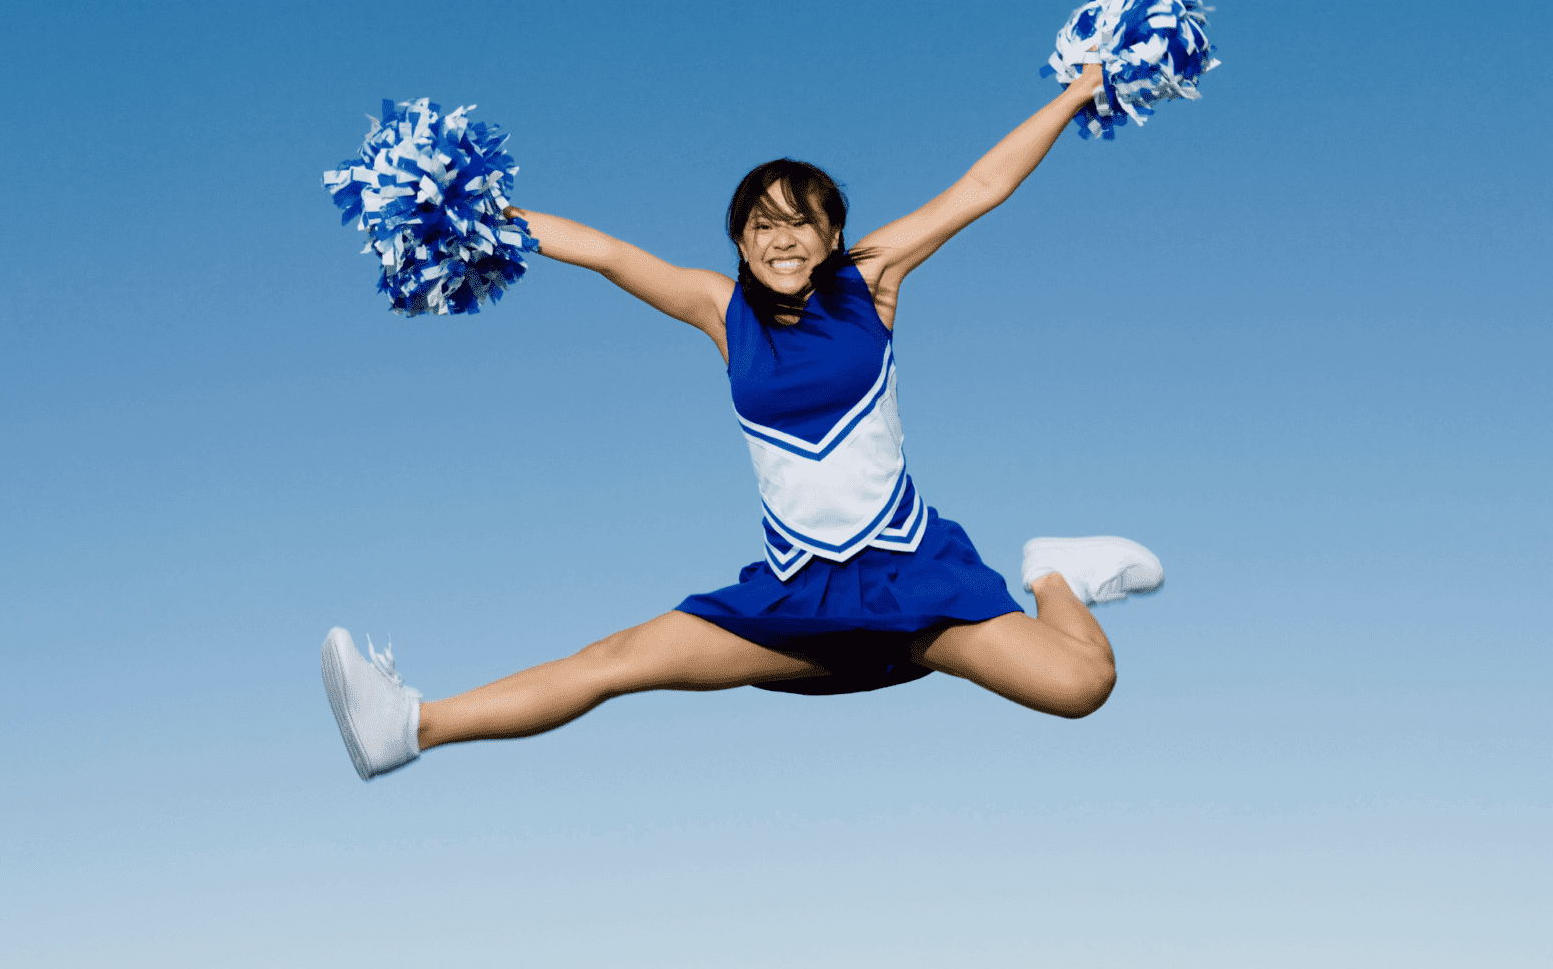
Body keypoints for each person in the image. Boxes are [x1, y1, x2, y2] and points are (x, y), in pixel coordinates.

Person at [320, 62, 1164, 781]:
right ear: (741, 243)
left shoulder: (868, 284)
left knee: (1082, 684)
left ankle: (1054, 572)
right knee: (616, 663)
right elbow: (613, 254)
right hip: (797, 595)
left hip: (914, 583)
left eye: (802, 221)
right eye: (763, 224)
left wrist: (1079, 90)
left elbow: (983, 186)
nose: (783, 237)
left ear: (833, 235)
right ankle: (410, 727)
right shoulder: (724, 312)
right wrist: (479, 217)